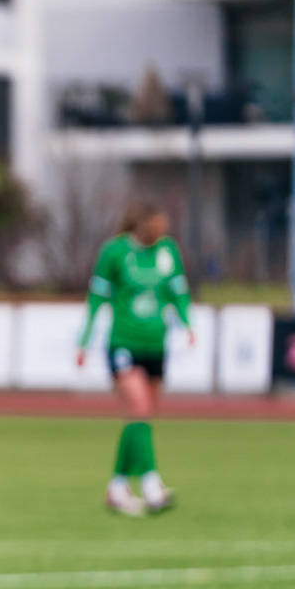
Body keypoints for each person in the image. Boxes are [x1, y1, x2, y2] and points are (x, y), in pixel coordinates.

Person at [76, 200, 192, 516]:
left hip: (156, 344)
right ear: (143, 224)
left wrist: (187, 322)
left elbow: (178, 291)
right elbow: (97, 297)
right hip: (123, 343)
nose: (163, 230)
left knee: (140, 417)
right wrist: (83, 341)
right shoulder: (114, 252)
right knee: (139, 407)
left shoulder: (168, 251)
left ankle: (117, 486)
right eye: (158, 225)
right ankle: (151, 484)